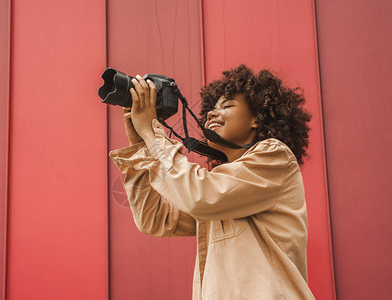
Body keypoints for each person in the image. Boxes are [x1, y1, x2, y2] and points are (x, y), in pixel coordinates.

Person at [109, 64, 315, 299]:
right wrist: (141, 144)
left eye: (227, 106)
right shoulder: (222, 187)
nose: (211, 114)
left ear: (257, 118)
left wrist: (152, 133)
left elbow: (201, 197)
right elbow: (155, 218)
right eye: (211, 109)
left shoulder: (274, 157)